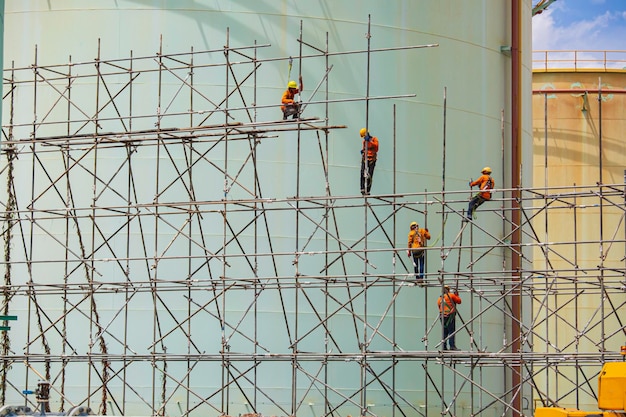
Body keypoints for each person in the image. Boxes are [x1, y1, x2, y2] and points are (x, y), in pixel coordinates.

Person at [437, 285, 462, 351]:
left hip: (442, 316)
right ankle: (452, 346)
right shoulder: (451, 295)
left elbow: (439, 307)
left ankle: (444, 347)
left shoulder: (440, 298)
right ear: (448, 290)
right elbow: (459, 301)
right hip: (449, 316)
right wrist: (456, 295)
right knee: (451, 331)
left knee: (444, 332)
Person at [359, 128, 379, 195]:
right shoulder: (364, 141)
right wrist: (363, 150)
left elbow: (376, 148)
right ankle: (362, 188)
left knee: (369, 175)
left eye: (364, 136)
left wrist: (370, 141)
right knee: (362, 173)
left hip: (372, 160)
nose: (364, 138)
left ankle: (367, 190)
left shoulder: (374, 139)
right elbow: (365, 148)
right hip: (365, 159)